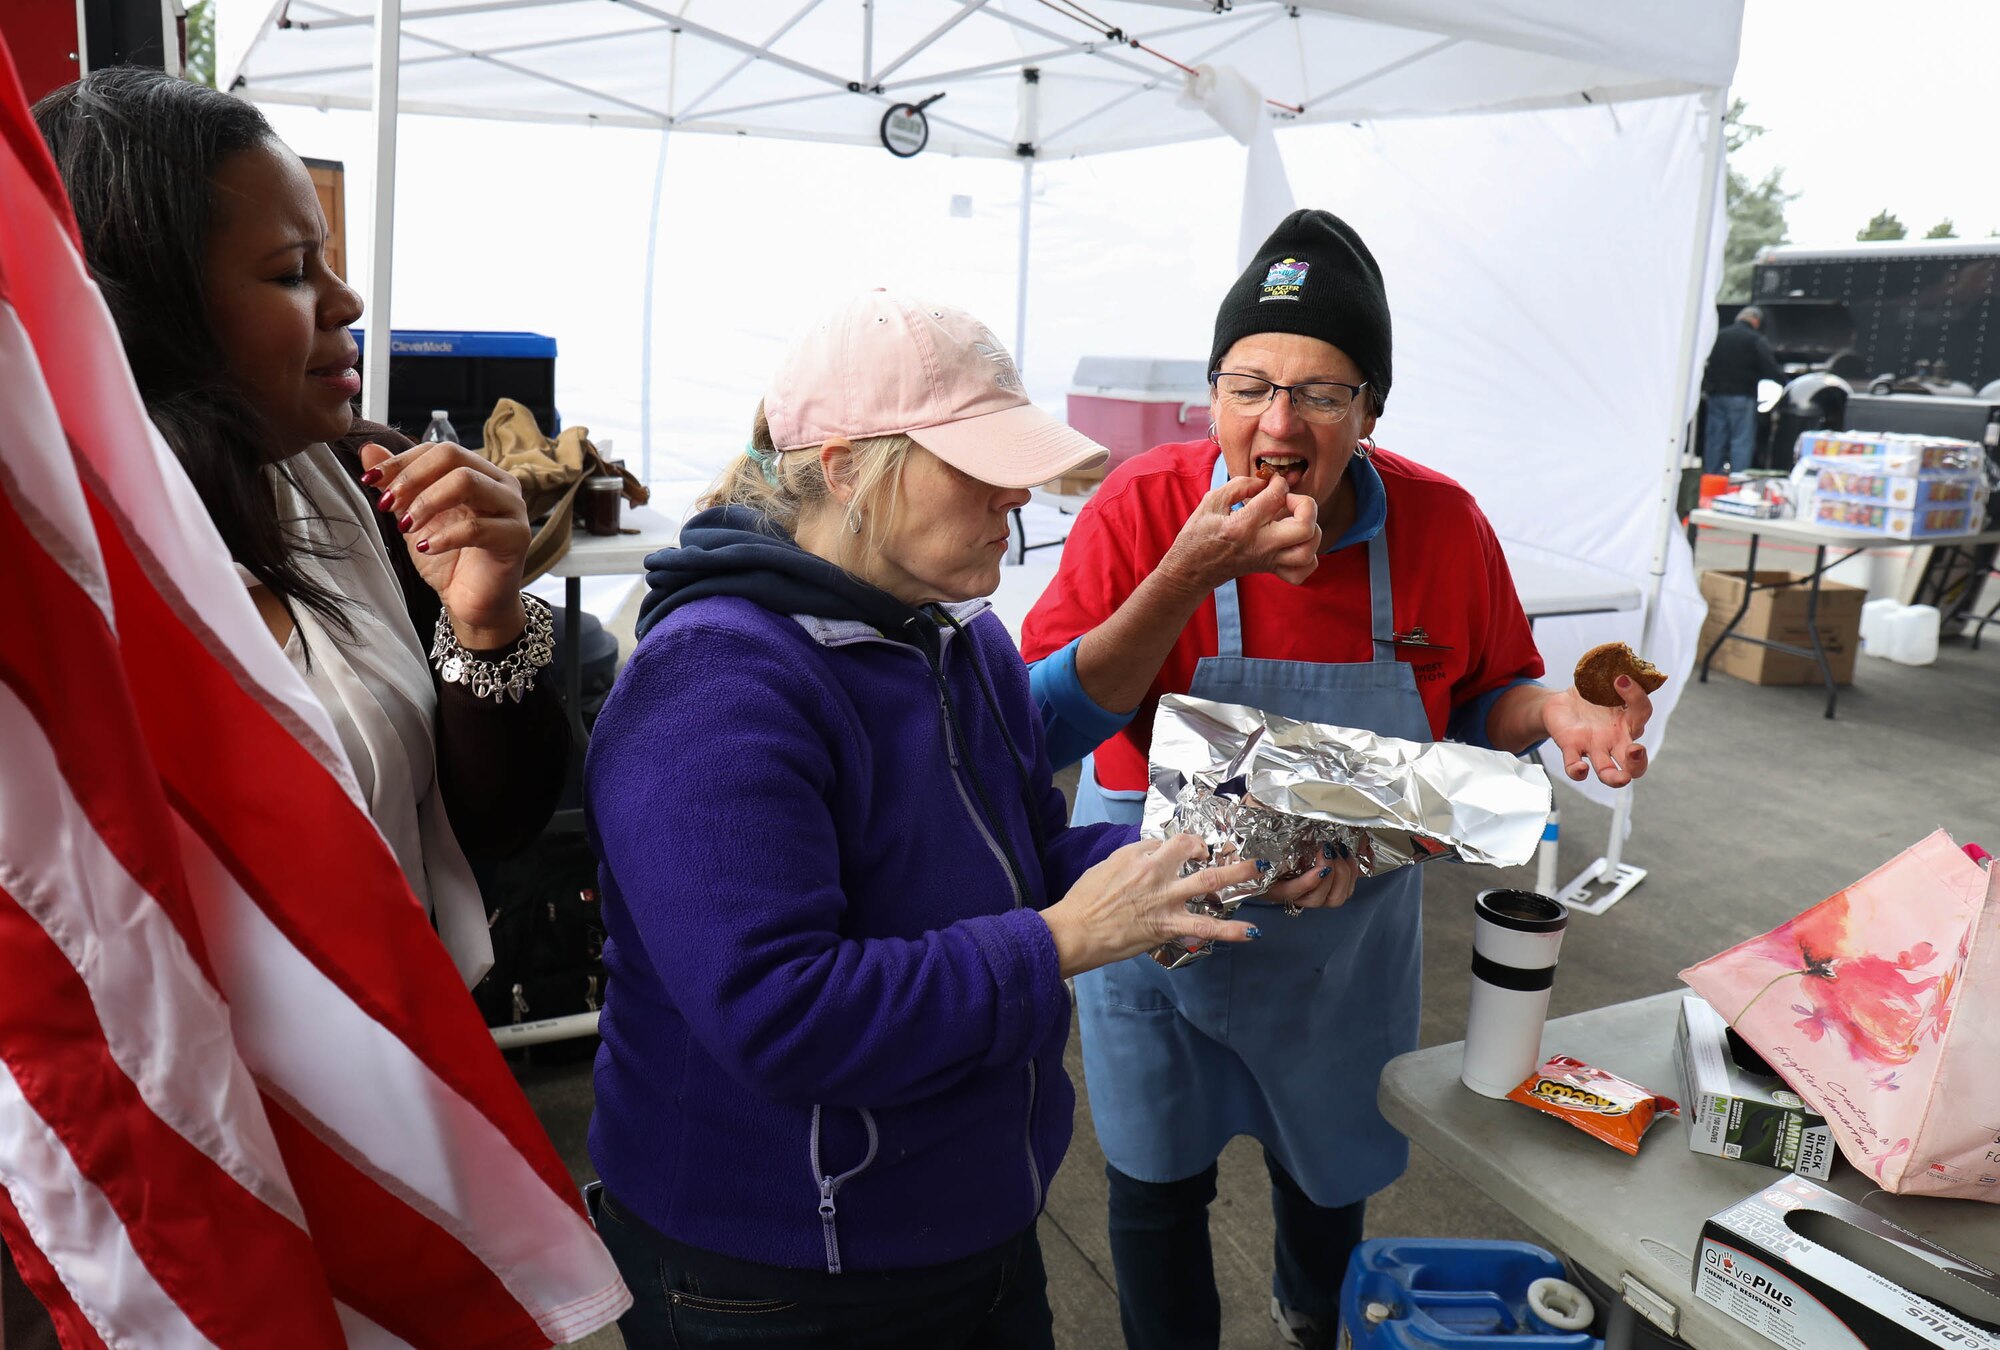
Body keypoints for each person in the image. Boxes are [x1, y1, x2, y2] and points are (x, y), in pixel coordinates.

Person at [582, 291, 1331, 1348]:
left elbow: (1025, 857)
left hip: (971, 1220)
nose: (1016, 495)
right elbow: (781, 1013)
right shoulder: (713, 685)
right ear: (844, 469)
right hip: (778, 1271)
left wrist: (1205, 859)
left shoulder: (961, 640)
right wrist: (1063, 941)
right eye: (976, 467)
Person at [1019, 209, 1654, 1350]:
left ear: (1368, 411)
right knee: (1153, 1182)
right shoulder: (1143, 508)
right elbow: (1045, 710)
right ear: (1208, 396)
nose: (1276, 421)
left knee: (1331, 1173)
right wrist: (1183, 573)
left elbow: (1477, 703)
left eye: (1320, 392)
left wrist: (1551, 711)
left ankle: (1315, 1320)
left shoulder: (1441, 524)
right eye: (1247, 384)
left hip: (1344, 938)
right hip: (1156, 903)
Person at [33, 68, 568, 975]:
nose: (346, 300)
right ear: (155, 319)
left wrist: (487, 626)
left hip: (405, 1052)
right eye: (291, 272)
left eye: (326, 259)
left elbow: (497, 825)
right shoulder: (58, 586)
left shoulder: (365, 483)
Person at [1701, 304, 1784, 474]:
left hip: (1716, 396)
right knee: (1741, 442)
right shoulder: (1755, 339)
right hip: (1742, 397)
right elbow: (1770, 368)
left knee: (1715, 442)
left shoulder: (1719, 336)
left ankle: (1710, 482)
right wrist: (1785, 383)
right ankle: (1736, 484)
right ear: (1755, 321)